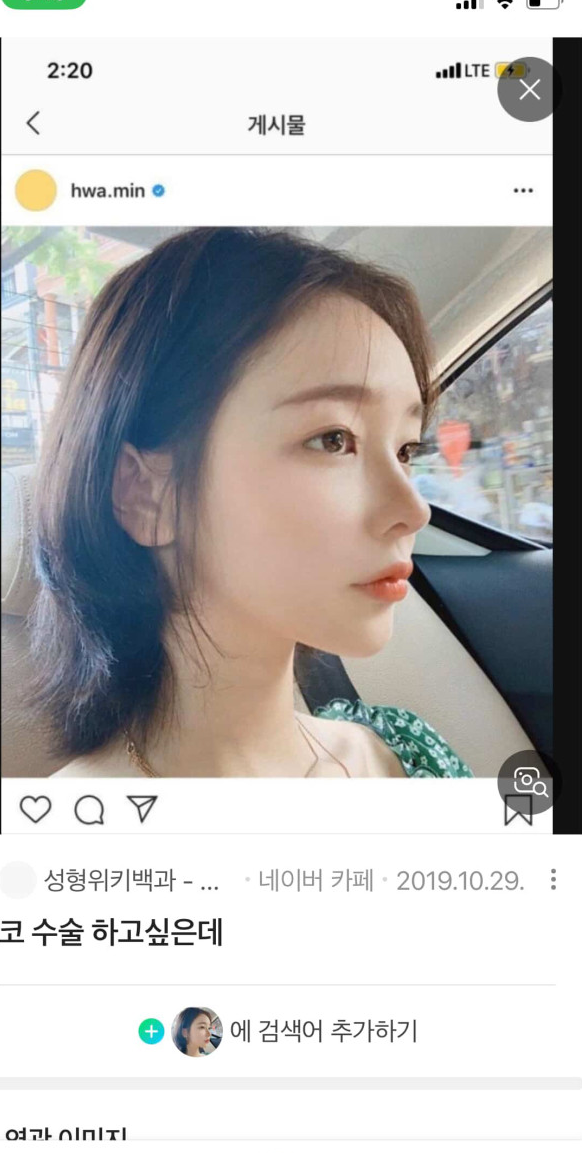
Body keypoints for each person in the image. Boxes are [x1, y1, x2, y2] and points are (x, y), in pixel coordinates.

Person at [31, 227, 472, 779]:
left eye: (406, 449)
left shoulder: (408, 758)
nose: (414, 510)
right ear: (146, 494)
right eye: (333, 439)